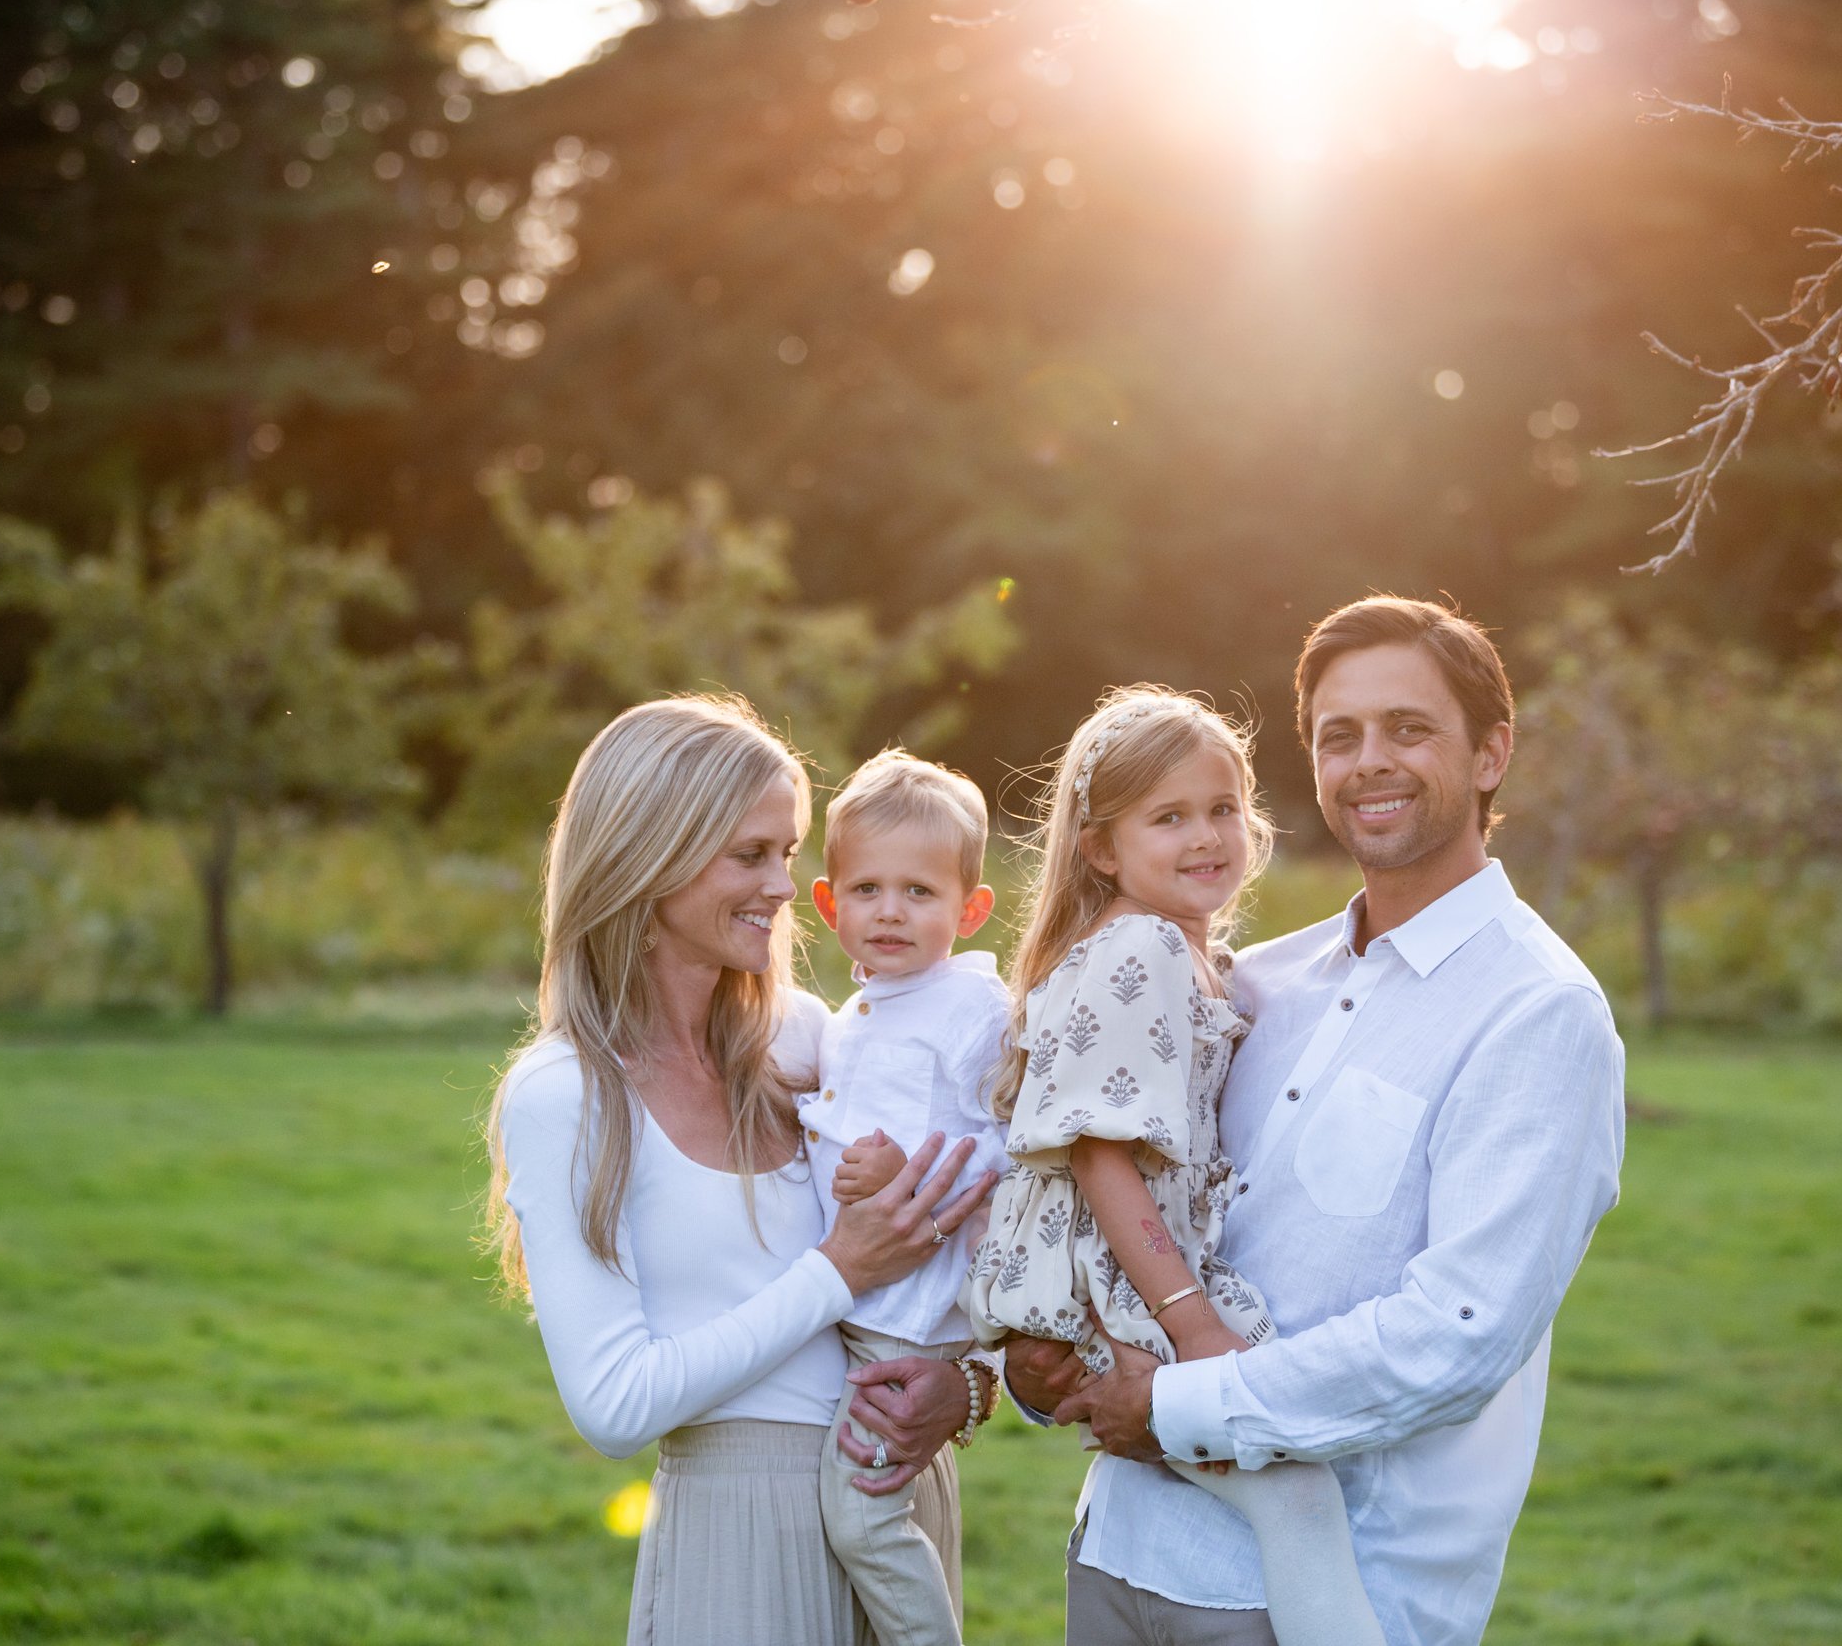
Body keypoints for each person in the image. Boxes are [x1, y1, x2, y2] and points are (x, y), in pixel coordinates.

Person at [1018, 597, 1629, 1646]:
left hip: (1321, 1601)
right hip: (1116, 1548)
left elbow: (1457, 1335)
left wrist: (1174, 1407)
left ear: (1491, 754)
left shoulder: (1538, 1014)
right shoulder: (1250, 983)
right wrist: (1051, 1369)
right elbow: (1116, 1194)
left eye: (1408, 728)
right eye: (1337, 736)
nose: (1368, 761)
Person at [483, 694, 997, 1646]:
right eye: (750, 853)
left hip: (894, 1490)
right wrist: (838, 1270)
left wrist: (965, 1390)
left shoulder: (811, 1039)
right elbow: (614, 1405)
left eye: (789, 852)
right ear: (652, 854)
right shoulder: (568, 1093)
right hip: (741, 1526)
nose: (784, 885)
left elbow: (966, 1218)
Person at [961, 686, 1385, 1646]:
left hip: (1121, 1283)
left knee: (1287, 1495)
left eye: (1223, 809)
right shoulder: (1140, 947)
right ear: (1103, 848)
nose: (1207, 837)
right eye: (1170, 817)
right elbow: (1103, 1156)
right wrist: (1189, 1322)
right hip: (1124, 1286)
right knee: (1298, 1502)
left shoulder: (1190, 952)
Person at [798, 749, 1014, 1646]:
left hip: (909, 1321)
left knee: (863, 1518)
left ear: (969, 910)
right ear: (829, 902)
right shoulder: (857, 1014)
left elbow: (1011, 1146)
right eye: (870, 888)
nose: (891, 910)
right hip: (858, 1305)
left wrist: (900, 1180)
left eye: (920, 892)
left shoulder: (974, 1010)